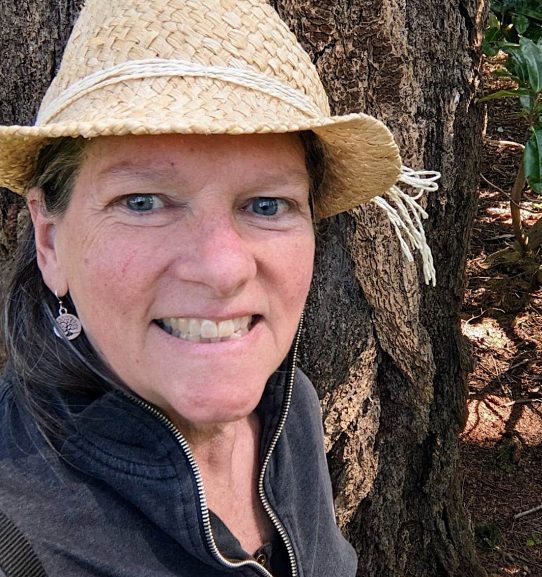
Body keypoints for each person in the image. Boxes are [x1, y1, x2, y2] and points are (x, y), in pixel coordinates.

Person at [0, 1, 437, 576]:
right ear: (50, 241)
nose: (222, 268)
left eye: (266, 205)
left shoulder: (289, 406)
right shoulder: (19, 535)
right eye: (142, 202)